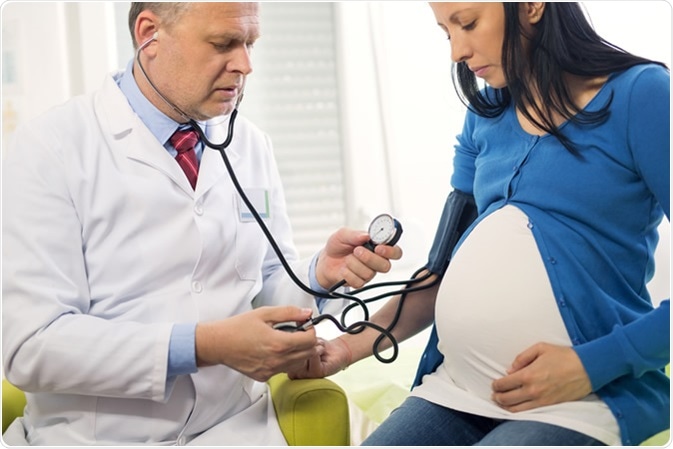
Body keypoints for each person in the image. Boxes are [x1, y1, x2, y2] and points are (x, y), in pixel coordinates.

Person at [1, 2, 402, 446]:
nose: (245, 65)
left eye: (250, 43)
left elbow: (267, 286)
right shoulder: (50, 149)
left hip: (238, 430)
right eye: (223, 43)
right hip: (98, 437)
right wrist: (202, 345)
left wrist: (318, 276)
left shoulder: (250, 144)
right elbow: (32, 346)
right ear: (149, 34)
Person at [290, 2, 670, 446]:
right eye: (445, 31)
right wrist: (346, 347)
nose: (456, 52)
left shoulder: (642, 96)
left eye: (467, 23)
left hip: (584, 400)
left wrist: (591, 365)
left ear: (531, 6)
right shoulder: (486, 111)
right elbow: (439, 273)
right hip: (456, 390)